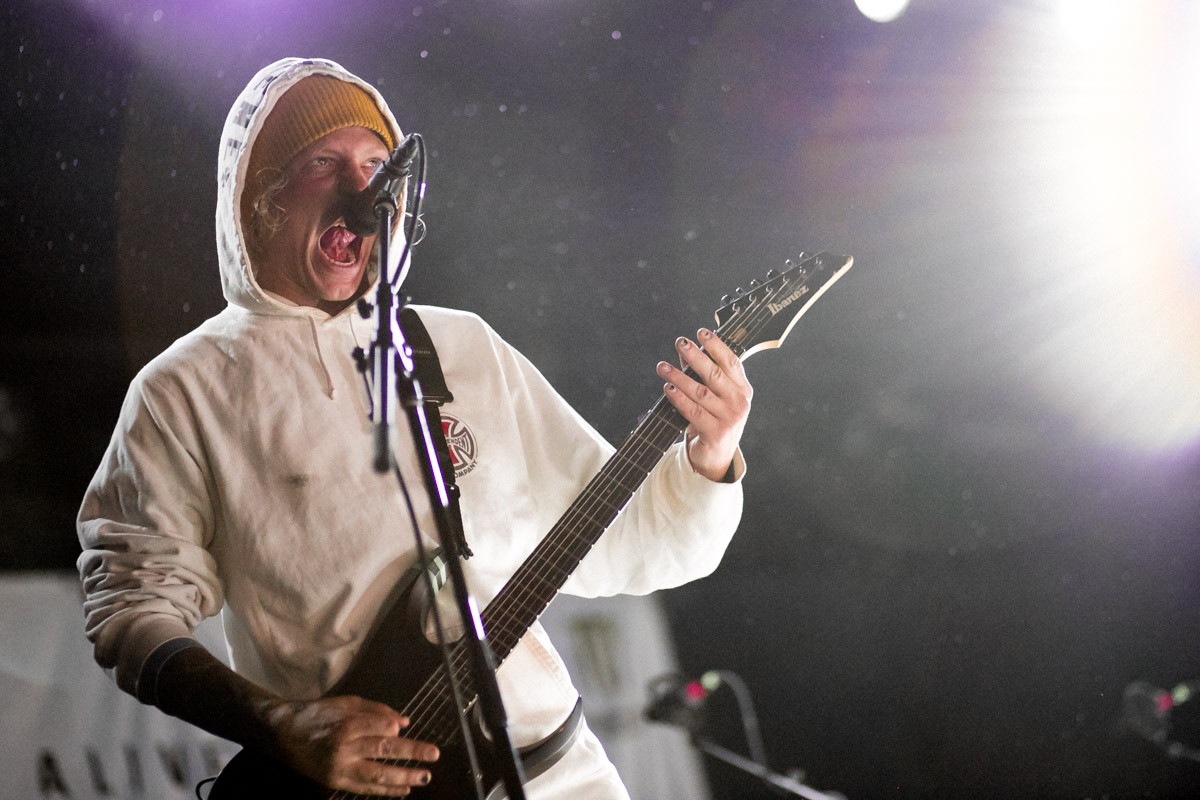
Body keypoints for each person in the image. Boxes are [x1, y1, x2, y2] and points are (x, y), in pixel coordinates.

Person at [77, 57, 750, 798]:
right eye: (322, 163)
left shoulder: (461, 348)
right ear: (259, 200)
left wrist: (709, 456)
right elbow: (131, 609)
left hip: (560, 776)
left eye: (375, 165)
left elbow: (627, 539)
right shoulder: (184, 391)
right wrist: (279, 725)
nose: (359, 187)